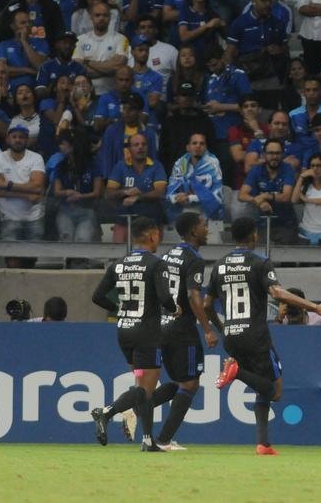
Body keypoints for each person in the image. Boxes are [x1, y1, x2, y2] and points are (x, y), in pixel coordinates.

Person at [90, 216, 175, 452]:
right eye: (158, 234)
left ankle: (148, 440)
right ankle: (106, 412)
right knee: (144, 389)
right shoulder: (156, 264)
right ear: (151, 235)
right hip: (147, 332)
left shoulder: (119, 264)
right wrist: (175, 309)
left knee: (142, 387)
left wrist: (120, 309)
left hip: (124, 331)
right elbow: (166, 298)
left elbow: (97, 296)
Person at [154, 211, 220, 451]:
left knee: (179, 382)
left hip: (162, 325)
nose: (207, 229)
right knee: (190, 383)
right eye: (204, 225)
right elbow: (194, 295)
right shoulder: (194, 259)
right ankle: (163, 440)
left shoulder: (168, 254)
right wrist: (208, 328)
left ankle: (135, 406)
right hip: (182, 329)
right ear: (194, 231)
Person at [0, 125, 45, 242]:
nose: (17, 139)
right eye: (14, 137)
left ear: (27, 140)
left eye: (21, 137)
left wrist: (8, 185)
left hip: (34, 216)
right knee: (11, 257)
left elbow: (37, 187)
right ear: (8, 139)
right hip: (9, 217)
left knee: (31, 258)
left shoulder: (36, 158)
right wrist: (26, 195)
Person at [166, 132, 225, 222]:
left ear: (205, 148)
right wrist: (177, 197)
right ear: (188, 147)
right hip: (184, 209)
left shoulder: (212, 164)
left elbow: (217, 196)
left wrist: (190, 198)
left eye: (202, 143)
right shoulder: (180, 164)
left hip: (208, 212)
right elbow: (170, 191)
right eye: (194, 143)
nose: (198, 146)